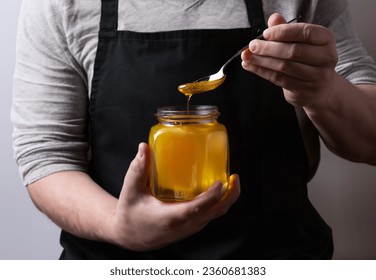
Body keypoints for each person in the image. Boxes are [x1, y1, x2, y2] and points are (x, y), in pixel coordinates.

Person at [11, 0, 376, 259]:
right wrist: (119, 226)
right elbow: (46, 155)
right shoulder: (60, 5)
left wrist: (323, 90)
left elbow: (370, 141)